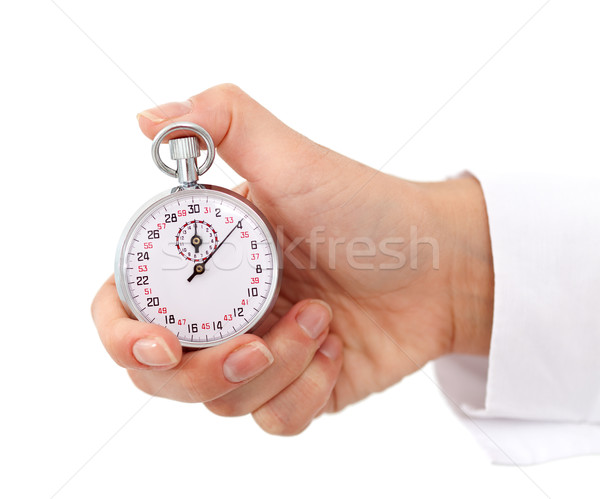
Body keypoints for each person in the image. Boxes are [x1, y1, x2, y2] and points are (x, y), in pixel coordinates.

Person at [92, 84, 600, 463]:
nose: (198, 262)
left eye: (203, 256)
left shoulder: (238, 234)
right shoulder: (165, 241)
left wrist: (450, 284)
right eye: (193, 261)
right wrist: (450, 288)